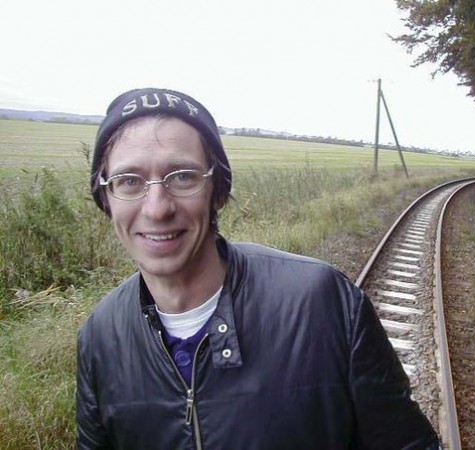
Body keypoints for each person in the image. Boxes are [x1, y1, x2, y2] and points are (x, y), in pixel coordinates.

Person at [76, 87, 440, 450]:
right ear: (105, 198)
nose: (157, 209)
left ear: (218, 190)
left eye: (183, 176)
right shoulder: (101, 338)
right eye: (129, 181)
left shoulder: (323, 303)